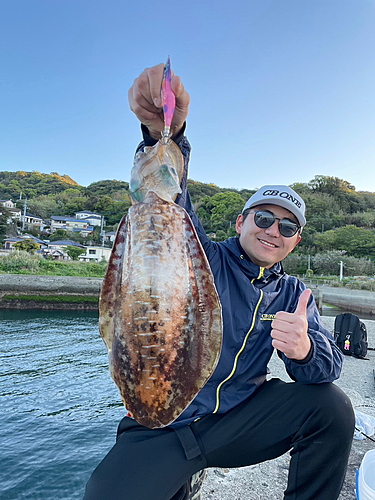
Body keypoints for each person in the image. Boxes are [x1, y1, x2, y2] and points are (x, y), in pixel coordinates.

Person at [83, 63, 355, 500]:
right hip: (164, 427)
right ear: (241, 221)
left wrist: (305, 351)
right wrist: (162, 136)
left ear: (295, 241)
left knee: (332, 409)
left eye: (287, 227)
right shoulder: (201, 256)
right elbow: (170, 200)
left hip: (239, 423)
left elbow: (329, 369)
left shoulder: (294, 294)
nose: (273, 231)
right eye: (264, 218)